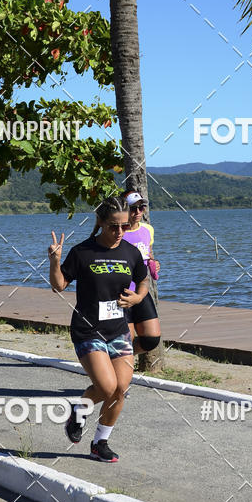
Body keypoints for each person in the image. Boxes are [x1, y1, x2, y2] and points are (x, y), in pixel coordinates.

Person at [48, 195, 148, 462]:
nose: (119, 232)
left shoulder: (130, 252)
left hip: (118, 330)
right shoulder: (83, 252)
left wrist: (138, 298)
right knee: (105, 387)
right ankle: (78, 413)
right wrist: (55, 261)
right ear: (101, 223)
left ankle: (100, 443)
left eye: (124, 226)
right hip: (88, 329)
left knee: (120, 390)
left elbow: (143, 280)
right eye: (113, 226)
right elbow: (59, 285)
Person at [120, 189, 161, 356]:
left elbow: (148, 255)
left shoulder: (147, 230)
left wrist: (154, 263)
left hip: (142, 291)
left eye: (141, 207)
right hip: (122, 293)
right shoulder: (118, 232)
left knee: (151, 339)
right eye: (132, 208)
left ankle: (115, 358)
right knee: (125, 342)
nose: (137, 212)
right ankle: (117, 369)